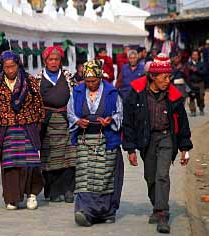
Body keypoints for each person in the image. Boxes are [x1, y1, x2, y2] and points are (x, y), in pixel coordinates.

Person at [122, 54, 193, 234]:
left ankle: (162, 212)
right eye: (164, 77)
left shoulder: (174, 96)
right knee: (150, 177)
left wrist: (185, 148)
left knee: (162, 175)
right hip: (147, 140)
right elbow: (128, 122)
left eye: (169, 77)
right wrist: (130, 149)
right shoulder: (136, 93)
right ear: (153, 77)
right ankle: (157, 206)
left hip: (166, 138)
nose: (168, 81)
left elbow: (182, 123)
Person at [0, 51, 44, 210]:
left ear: (18, 65)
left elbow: (38, 104)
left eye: (13, 66)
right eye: (6, 67)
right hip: (7, 128)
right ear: (2, 67)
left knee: (30, 163)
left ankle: (32, 194)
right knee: (10, 164)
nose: (10, 70)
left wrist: (38, 123)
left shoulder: (30, 81)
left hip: (27, 127)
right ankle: (12, 198)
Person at [67, 59, 123, 226]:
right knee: (85, 176)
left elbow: (120, 113)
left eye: (94, 81)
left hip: (106, 140)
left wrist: (110, 120)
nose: (91, 84)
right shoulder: (77, 92)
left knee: (103, 177)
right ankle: (85, 211)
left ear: (100, 78)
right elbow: (70, 112)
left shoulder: (112, 92)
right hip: (85, 140)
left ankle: (106, 212)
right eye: (88, 81)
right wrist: (77, 121)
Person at [37, 46, 77, 203]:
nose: (53, 62)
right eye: (50, 60)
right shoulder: (38, 79)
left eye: (56, 59)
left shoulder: (67, 77)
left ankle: (68, 190)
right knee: (51, 158)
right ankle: (54, 191)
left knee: (70, 157)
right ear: (45, 61)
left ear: (61, 61)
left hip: (66, 121)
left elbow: (75, 97)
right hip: (47, 124)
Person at [187, 50, 207, 116]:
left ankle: (201, 109)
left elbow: (204, 72)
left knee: (201, 97)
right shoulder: (188, 64)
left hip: (200, 83)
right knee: (191, 97)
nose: (194, 56)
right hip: (191, 83)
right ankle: (193, 111)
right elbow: (185, 73)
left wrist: (197, 70)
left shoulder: (202, 63)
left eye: (196, 55)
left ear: (198, 56)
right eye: (193, 55)